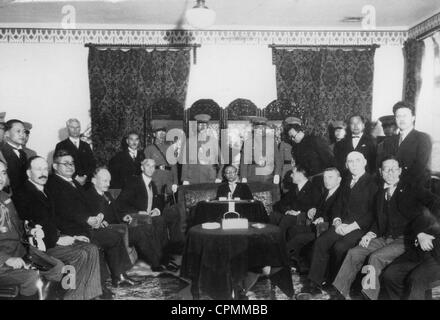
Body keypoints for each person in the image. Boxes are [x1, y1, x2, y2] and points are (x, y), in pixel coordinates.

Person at [331, 156, 440, 300]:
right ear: (381, 172)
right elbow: (378, 220)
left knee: (376, 257)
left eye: (394, 169)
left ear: (400, 171)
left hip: (405, 239)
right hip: (384, 237)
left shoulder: (412, 189)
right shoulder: (380, 193)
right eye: (386, 170)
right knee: (354, 253)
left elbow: (435, 202)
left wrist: (425, 229)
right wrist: (370, 234)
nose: (390, 173)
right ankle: (340, 292)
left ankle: (369, 296)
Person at [13, 156, 104, 300]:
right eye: (38, 169)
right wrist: (57, 240)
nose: (43, 172)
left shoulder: (45, 190)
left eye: (44, 168)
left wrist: (71, 237)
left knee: (91, 248)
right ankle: (74, 297)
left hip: (54, 239)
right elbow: (31, 226)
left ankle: (90, 294)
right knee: (81, 254)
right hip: (38, 247)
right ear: (29, 173)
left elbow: (54, 221)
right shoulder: (23, 193)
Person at [46, 149, 134, 289]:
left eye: (72, 163)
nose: (70, 166)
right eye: (65, 163)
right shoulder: (53, 184)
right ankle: (116, 278)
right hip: (71, 231)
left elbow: (85, 204)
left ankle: (119, 276)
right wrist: (86, 219)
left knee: (114, 235)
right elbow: (64, 210)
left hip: (84, 226)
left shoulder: (72, 182)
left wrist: (96, 216)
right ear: (55, 166)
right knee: (112, 237)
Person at [298, 151, 378, 298]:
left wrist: (352, 226)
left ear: (365, 162)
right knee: (321, 242)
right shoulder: (346, 181)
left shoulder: (373, 183)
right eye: (350, 161)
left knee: (340, 247)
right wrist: (337, 221)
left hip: (359, 227)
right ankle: (314, 283)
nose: (353, 164)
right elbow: (337, 206)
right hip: (341, 224)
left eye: (357, 161)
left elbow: (373, 213)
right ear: (346, 165)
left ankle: (338, 285)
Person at [0, 160, 65, 299]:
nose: (1, 178)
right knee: (31, 277)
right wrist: (6, 259)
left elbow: (18, 225)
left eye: (3, 173)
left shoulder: (5, 198)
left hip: (20, 250)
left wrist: (30, 231)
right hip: (3, 261)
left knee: (56, 267)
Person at [85, 167, 168, 272]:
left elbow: (117, 211)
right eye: (105, 180)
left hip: (121, 227)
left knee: (148, 226)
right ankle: (155, 264)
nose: (108, 184)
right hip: (111, 232)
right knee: (142, 231)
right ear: (94, 180)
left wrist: (124, 216)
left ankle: (157, 261)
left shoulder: (107, 194)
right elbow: (90, 219)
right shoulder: (88, 197)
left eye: (109, 181)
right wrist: (101, 222)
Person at [116, 158, 183, 268]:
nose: (151, 168)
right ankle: (158, 262)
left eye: (153, 166)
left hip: (148, 217)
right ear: (142, 168)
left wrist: (157, 209)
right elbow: (120, 203)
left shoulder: (152, 184)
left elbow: (157, 202)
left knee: (160, 220)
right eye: (148, 165)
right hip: (136, 219)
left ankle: (164, 259)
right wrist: (137, 211)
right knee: (155, 224)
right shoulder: (134, 182)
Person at [286, 167, 342, 274]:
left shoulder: (340, 194)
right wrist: (313, 209)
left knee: (298, 238)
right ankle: (297, 262)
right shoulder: (326, 192)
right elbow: (319, 208)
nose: (326, 180)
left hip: (327, 229)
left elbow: (338, 214)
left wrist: (323, 219)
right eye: (325, 177)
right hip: (317, 226)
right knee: (293, 230)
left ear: (339, 180)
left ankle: (285, 263)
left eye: (330, 177)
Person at [382, 207, 440, 300]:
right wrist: (420, 235)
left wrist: (430, 240)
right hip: (420, 253)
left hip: (437, 258)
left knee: (417, 279)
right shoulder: (434, 204)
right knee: (390, 274)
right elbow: (420, 219)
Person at [381, 101, 432, 187]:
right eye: (398, 116)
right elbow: (385, 165)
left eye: (405, 116)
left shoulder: (422, 138)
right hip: (392, 186)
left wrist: (397, 183)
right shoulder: (389, 141)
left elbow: (419, 168)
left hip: (415, 187)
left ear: (413, 118)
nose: (401, 119)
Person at [272, 164, 321, 241]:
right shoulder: (294, 188)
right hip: (291, 215)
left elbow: (316, 207)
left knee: (286, 220)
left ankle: (279, 248)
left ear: (300, 175)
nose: (291, 175)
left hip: (303, 217)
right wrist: (287, 211)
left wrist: (298, 212)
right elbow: (279, 204)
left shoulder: (313, 189)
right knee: (273, 215)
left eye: (293, 173)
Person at [55, 118, 96, 186]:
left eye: (77, 127)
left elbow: (92, 164)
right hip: (69, 183)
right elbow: (58, 166)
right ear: (68, 129)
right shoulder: (61, 146)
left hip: (86, 183)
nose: (75, 130)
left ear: (80, 129)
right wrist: (75, 177)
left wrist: (85, 177)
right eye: (72, 127)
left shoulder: (86, 146)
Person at [182, 114, 220, 184]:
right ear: (196, 126)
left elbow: (221, 160)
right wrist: (185, 178)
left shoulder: (213, 141)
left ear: (207, 126)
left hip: (209, 176)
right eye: (199, 125)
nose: (202, 127)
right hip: (193, 177)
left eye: (204, 125)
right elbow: (185, 161)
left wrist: (219, 176)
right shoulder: (189, 141)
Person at [144, 126, 178, 197]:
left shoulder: (170, 148)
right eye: (159, 132)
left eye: (164, 132)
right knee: (155, 200)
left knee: (169, 201)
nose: (162, 134)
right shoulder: (149, 149)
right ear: (154, 134)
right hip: (155, 178)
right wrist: (146, 181)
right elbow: (146, 167)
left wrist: (175, 182)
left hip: (168, 178)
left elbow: (174, 166)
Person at [0, 119, 28, 193]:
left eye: (24, 131)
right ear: (6, 133)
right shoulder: (2, 152)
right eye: (18, 131)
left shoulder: (23, 153)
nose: (22, 135)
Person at [275, 117, 301, 193]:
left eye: (295, 129)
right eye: (290, 129)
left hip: (299, 172)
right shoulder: (283, 144)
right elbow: (279, 162)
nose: (292, 131)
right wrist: (278, 176)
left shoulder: (302, 143)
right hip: (286, 172)